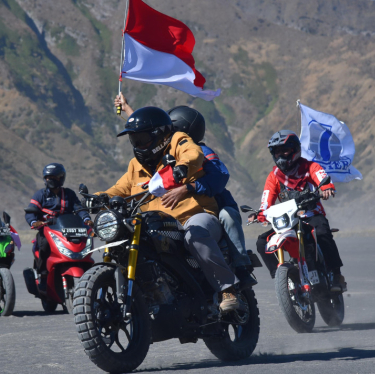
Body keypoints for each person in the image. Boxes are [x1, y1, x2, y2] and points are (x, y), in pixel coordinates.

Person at [96, 106, 240, 313]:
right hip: (155, 221)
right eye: (134, 140)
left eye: (142, 139)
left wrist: (182, 167)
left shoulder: (177, 141)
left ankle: (228, 289)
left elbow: (193, 153)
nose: (138, 145)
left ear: (159, 136)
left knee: (195, 235)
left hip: (195, 216)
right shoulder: (135, 165)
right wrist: (101, 197)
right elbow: (121, 188)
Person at [114, 94, 256, 290]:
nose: (169, 134)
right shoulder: (151, 156)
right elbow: (146, 132)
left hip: (207, 204)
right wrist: (127, 108)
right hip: (162, 216)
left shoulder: (196, 151)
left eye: (172, 130)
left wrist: (189, 186)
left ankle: (238, 270)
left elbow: (220, 175)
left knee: (227, 217)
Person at [249, 130, 346, 292]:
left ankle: (336, 274)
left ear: (295, 149)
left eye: (285, 150)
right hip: (288, 221)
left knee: (322, 232)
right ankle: (282, 281)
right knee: (261, 242)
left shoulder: (309, 167)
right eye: (277, 151)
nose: (281, 155)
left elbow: (322, 178)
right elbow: (266, 201)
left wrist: (326, 187)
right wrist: (259, 215)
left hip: (311, 215)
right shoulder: (274, 176)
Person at [24, 163, 92, 292]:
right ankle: (43, 275)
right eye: (48, 177)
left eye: (54, 177)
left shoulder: (69, 194)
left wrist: (86, 219)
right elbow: (30, 212)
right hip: (47, 230)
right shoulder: (40, 195)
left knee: (83, 243)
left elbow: (79, 209)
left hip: (66, 230)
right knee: (43, 244)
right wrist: (34, 222)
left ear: (61, 178)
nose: (51, 180)